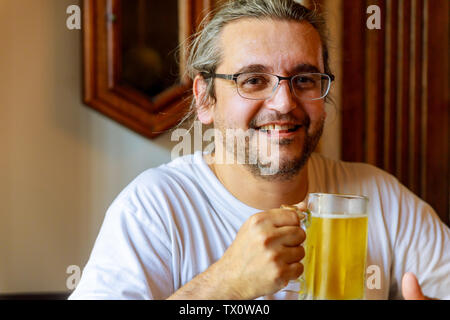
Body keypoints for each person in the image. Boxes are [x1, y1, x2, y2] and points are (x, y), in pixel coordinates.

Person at [69, 0, 449, 300]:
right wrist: (225, 286)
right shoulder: (154, 207)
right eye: (253, 80)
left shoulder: (378, 195)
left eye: (303, 79)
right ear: (205, 99)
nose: (284, 103)